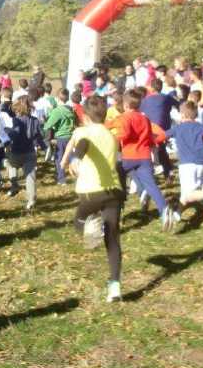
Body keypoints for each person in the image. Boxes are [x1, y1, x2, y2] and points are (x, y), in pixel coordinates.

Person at [62, 95, 125, 302]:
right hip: (114, 192)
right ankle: (115, 285)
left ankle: (90, 229)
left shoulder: (83, 131)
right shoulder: (111, 135)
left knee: (79, 220)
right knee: (113, 239)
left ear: (85, 116)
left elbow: (84, 144)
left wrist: (75, 159)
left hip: (91, 191)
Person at [113, 89, 174, 229]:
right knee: (151, 184)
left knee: (119, 174)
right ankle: (164, 210)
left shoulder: (124, 117)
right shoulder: (145, 119)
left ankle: (119, 207)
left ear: (125, 105)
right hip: (145, 156)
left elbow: (124, 134)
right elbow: (149, 136)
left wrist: (113, 138)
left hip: (129, 156)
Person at [166, 101, 203, 220]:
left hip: (186, 164)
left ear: (183, 115)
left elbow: (162, 136)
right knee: (187, 191)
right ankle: (179, 214)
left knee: (187, 194)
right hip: (201, 162)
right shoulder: (201, 126)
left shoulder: (178, 128)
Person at [4, 95, 44, 211]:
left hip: (16, 152)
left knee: (8, 163)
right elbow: (38, 137)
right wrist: (45, 147)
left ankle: (14, 184)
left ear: (17, 107)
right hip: (30, 153)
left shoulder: (15, 121)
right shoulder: (35, 120)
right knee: (30, 177)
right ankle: (31, 200)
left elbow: (14, 134)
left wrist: (5, 132)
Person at [43, 88, 77, 185]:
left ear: (58, 98)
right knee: (71, 158)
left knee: (59, 158)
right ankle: (77, 175)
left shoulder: (57, 111)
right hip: (70, 136)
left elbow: (48, 125)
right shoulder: (71, 109)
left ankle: (61, 179)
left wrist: (45, 122)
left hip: (61, 138)